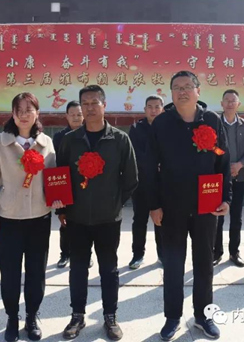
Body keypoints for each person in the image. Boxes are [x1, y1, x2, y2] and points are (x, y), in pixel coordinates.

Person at [146, 71, 231, 341]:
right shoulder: (162, 123)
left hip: (207, 204)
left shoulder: (212, 120)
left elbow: (222, 157)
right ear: (171, 93)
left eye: (187, 86)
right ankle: (172, 317)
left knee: (204, 262)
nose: (182, 91)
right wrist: (154, 204)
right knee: (173, 264)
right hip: (171, 205)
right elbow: (150, 166)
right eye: (177, 87)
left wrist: (226, 198)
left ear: (198, 91)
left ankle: (203, 316)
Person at [56, 85, 138, 341]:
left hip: (108, 219)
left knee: (109, 270)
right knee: (78, 269)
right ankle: (77, 316)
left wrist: (115, 203)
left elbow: (131, 178)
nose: (90, 108)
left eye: (94, 102)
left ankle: (110, 316)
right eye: (85, 103)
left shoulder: (119, 140)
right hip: (76, 218)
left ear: (104, 105)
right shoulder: (70, 140)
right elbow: (60, 176)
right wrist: (62, 209)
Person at [0, 93, 58, 342]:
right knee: (10, 273)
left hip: (39, 218)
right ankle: (12, 318)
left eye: (29, 110)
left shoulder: (46, 143)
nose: (24, 115)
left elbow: (54, 179)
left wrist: (59, 201)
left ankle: (32, 316)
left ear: (37, 113)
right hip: (9, 219)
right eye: (19, 110)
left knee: (36, 272)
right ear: (13, 114)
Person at [214, 89, 244, 267]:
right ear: (222, 104)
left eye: (233, 100)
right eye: (227, 100)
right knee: (218, 215)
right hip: (219, 177)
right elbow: (212, 147)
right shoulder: (214, 123)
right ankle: (216, 252)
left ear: (238, 104)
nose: (230, 103)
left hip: (240, 175)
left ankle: (234, 252)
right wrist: (225, 164)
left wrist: (239, 165)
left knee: (236, 216)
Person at [52, 100, 93, 270]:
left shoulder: (90, 134)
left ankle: (87, 255)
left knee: (88, 224)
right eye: (72, 114)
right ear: (66, 116)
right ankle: (65, 254)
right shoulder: (59, 137)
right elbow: (55, 165)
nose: (76, 118)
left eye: (79, 114)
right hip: (65, 184)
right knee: (65, 223)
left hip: (85, 186)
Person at [128, 94, 165, 270]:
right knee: (139, 220)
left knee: (162, 220)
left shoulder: (168, 127)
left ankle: (163, 255)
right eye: (150, 107)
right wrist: (154, 164)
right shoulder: (136, 128)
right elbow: (136, 155)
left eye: (157, 107)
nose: (153, 110)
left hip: (162, 183)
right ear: (145, 109)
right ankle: (138, 255)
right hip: (141, 182)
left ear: (162, 109)